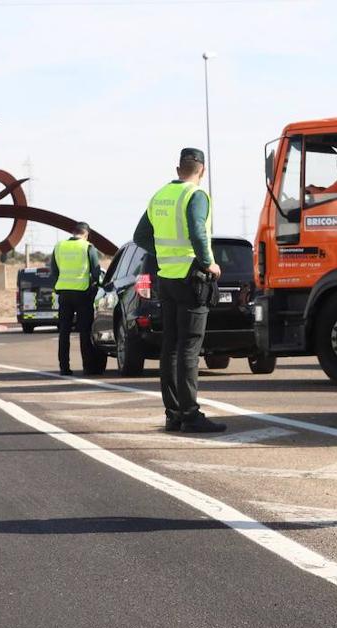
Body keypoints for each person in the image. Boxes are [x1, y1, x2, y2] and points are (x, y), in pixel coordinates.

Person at [133, 147, 226, 433]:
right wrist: (209, 263)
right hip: (191, 277)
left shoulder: (159, 195)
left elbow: (140, 236)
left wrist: (162, 253)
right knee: (189, 347)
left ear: (178, 169)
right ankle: (190, 414)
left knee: (171, 347)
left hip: (168, 278)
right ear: (202, 170)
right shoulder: (196, 195)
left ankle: (173, 413)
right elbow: (198, 230)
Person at [49, 222, 102, 375]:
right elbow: (96, 272)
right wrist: (96, 285)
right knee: (84, 331)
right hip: (83, 293)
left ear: (74, 232)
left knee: (64, 331)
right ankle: (88, 367)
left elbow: (54, 271)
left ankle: (64, 368)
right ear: (86, 234)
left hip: (64, 294)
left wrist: (58, 287)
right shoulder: (88, 247)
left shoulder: (59, 246)